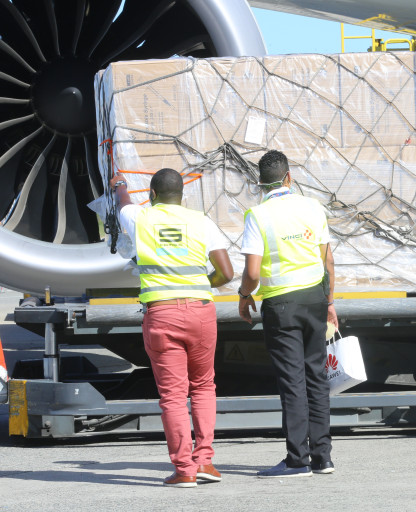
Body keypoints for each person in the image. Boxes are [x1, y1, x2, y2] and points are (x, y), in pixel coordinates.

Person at [109, 168, 233, 488]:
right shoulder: (202, 221)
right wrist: (199, 283)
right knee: (203, 386)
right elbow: (226, 272)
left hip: (162, 313)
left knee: (173, 395)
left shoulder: (140, 217)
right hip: (201, 311)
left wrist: (120, 184)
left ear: (152, 195)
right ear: (182, 195)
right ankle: (204, 461)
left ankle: (184, 469)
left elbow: (122, 202)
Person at [238, 149, 338, 478]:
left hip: (281, 306)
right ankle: (322, 457)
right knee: (317, 378)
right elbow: (327, 261)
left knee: (293, 383)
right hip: (315, 299)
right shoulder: (313, 207)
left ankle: (298, 460)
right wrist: (330, 303)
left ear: (260, 183)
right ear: (289, 178)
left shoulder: (257, 216)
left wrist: (244, 296)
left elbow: (253, 272)